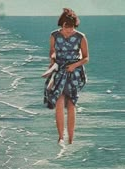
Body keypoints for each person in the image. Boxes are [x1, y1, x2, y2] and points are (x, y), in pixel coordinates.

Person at [43, 8, 89, 144]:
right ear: (61, 24)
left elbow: (86, 58)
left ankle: (71, 137)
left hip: (74, 72)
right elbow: (52, 52)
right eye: (66, 27)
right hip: (59, 70)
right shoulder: (54, 35)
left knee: (71, 104)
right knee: (59, 102)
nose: (69, 30)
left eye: (72, 27)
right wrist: (52, 59)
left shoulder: (81, 37)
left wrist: (75, 65)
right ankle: (61, 136)